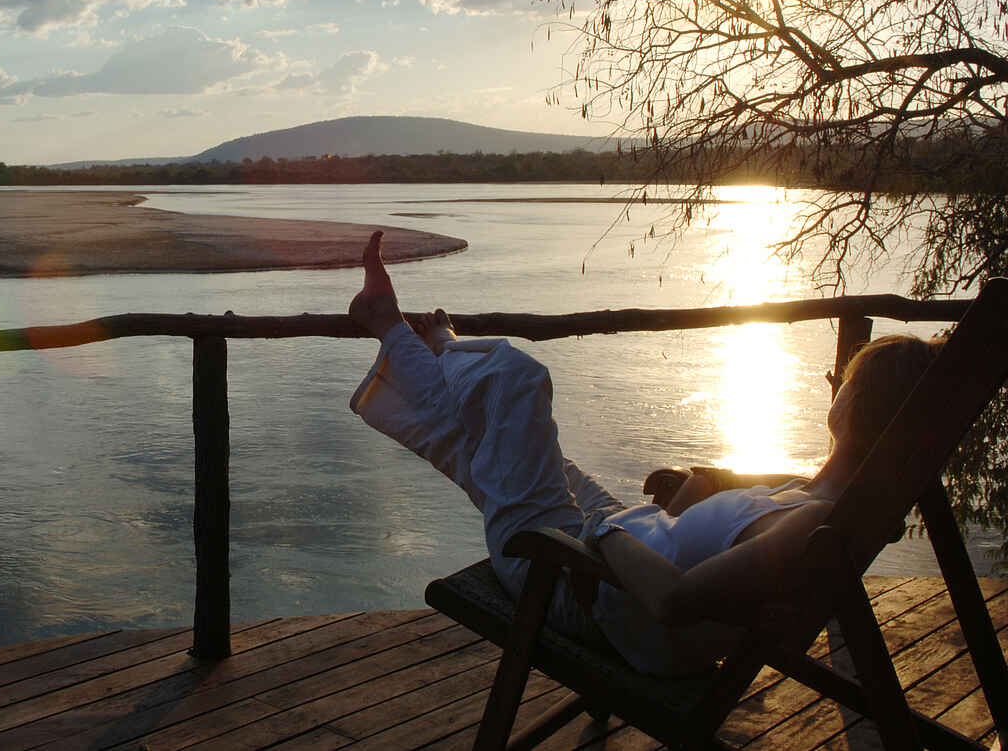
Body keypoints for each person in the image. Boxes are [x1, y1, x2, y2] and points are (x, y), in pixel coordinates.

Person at [346, 231, 942, 674]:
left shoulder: (813, 519)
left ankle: (422, 338)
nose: (835, 381)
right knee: (495, 443)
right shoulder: (827, 495)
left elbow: (676, 600)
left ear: (855, 406)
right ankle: (396, 332)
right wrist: (706, 482)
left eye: (850, 379)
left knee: (516, 381)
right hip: (611, 557)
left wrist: (602, 532)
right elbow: (726, 527)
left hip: (578, 580)